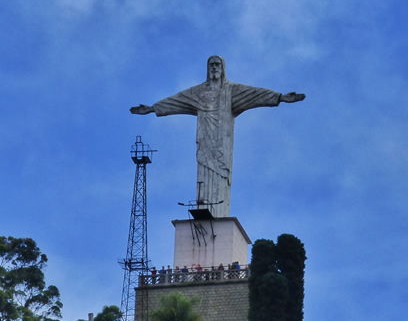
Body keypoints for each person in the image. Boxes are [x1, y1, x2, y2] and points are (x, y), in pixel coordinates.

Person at [131, 56, 305, 217]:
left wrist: (280, 97)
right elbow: (176, 101)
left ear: (223, 68)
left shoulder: (231, 91)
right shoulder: (197, 93)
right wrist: (152, 108)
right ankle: (204, 208)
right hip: (204, 142)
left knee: (221, 177)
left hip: (222, 145)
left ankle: (218, 213)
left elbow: (255, 94)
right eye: (211, 64)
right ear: (207, 68)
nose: (214, 67)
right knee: (204, 172)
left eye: (217, 64)